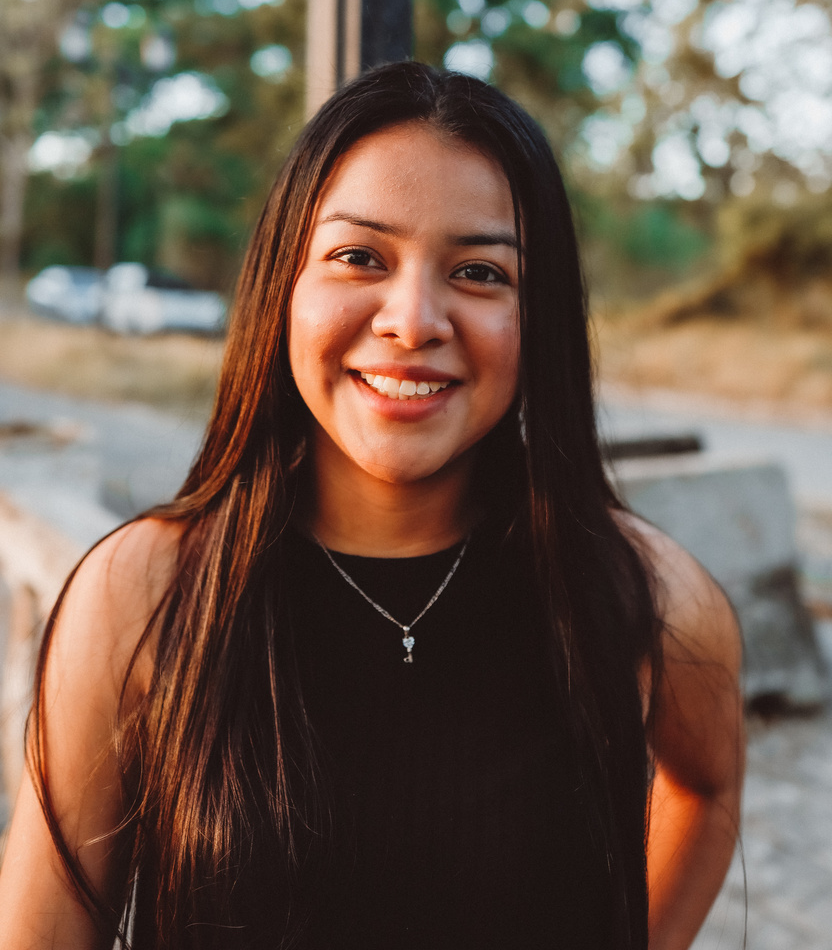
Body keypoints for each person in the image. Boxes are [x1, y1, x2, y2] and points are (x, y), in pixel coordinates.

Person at [0, 61, 743, 949]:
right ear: (283, 286)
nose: (413, 318)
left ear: (536, 314)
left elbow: (708, 790)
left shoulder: (642, 593)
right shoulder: (143, 594)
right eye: (360, 257)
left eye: (478, 271)